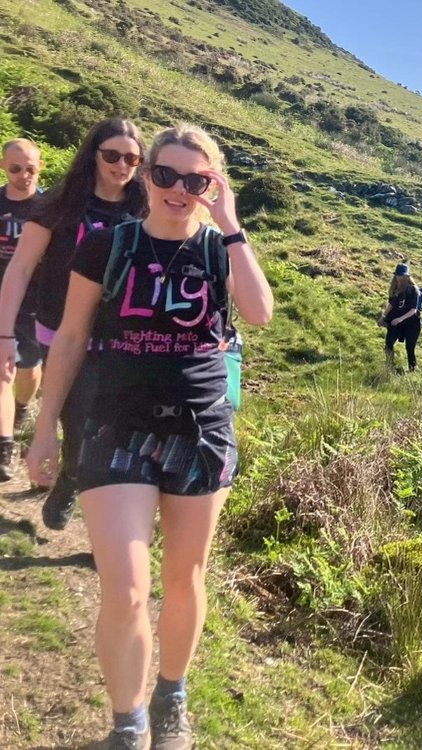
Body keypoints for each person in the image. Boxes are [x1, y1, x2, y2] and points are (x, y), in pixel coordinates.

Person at [26, 123, 273, 750]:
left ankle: (172, 696)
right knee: (128, 586)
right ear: (146, 176)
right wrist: (45, 431)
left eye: (196, 180)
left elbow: (259, 312)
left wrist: (231, 222)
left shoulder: (220, 250)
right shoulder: (107, 245)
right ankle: (129, 723)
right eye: (165, 175)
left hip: (201, 430)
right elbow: (74, 338)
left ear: (210, 185)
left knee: (185, 579)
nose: (178, 189)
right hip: (116, 426)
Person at [0, 118, 147, 530]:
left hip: (125, 340)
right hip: (62, 336)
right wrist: (4, 333)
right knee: (79, 424)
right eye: (112, 155)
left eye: (132, 158)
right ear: (93, 155)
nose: (121, 165)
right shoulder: (59, 205)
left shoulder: (145, 208)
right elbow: (21, 268)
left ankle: (107, 517)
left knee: (119, 432)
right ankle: (69, 479)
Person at [0, 139, 44, 479]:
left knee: (29, 366)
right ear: (4, 167)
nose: (23, 174)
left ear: (40, 167)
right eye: (16, 168)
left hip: (36, 302)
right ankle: (5, 445)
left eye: (30, 168)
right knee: (3, 370)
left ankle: (22, 408)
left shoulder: (50, 208)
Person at [380, 263, 420, 372]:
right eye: (398, 275)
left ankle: (412, 369)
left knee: (410, 348)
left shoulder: (413, 290)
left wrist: (401, 319)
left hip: (412, 323)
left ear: (407, 277)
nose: (399, 278)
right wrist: (383, 316)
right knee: (388, 343)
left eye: (402, 276)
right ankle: (389, 366)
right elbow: (391, 304)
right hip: (396, 322)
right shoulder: (394, 289)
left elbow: (413, 310)